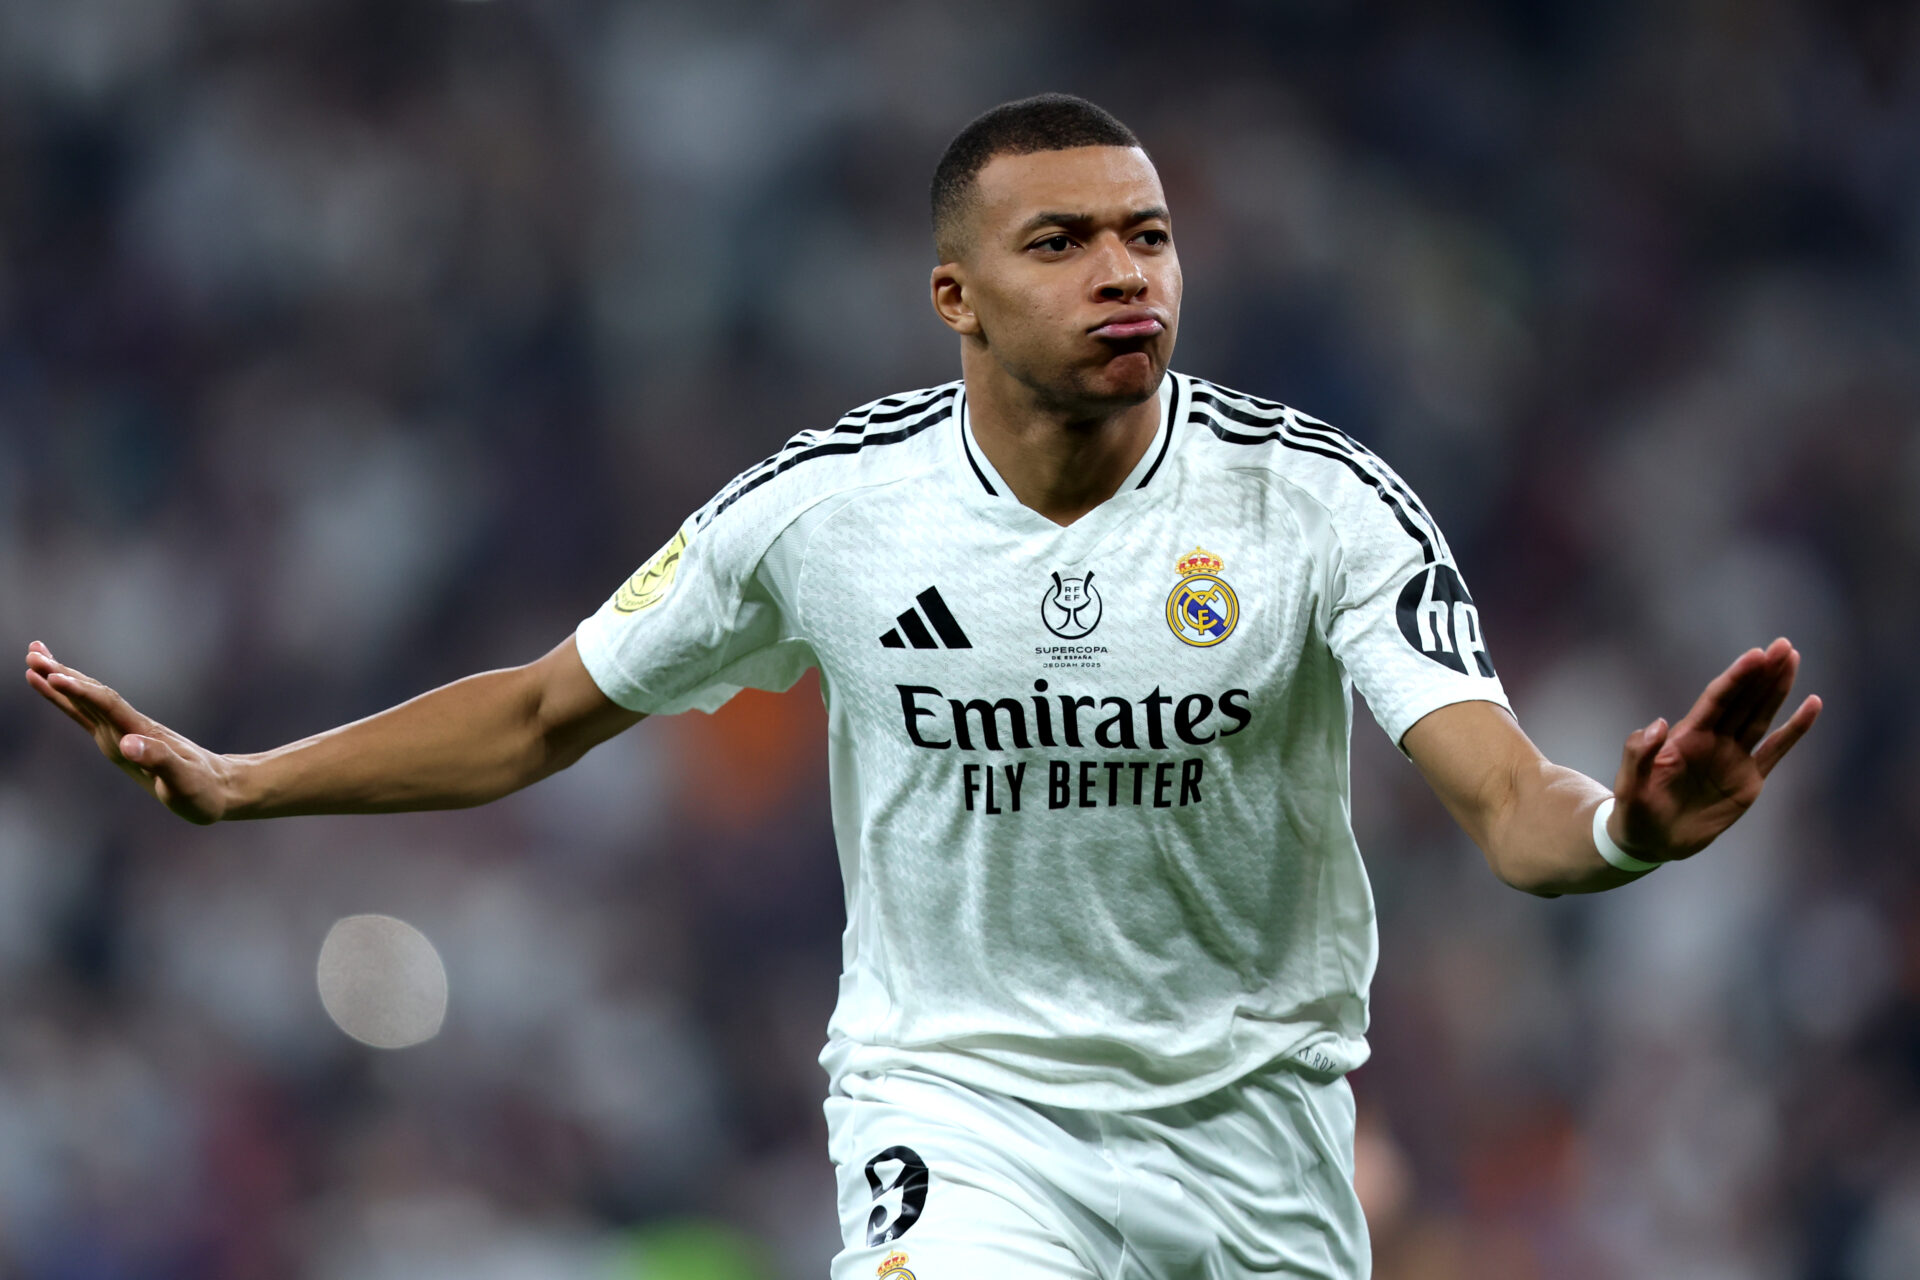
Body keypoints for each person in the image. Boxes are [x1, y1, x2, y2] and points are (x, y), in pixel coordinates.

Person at [24, 94, 1820, 1279]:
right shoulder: (828, 513)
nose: (1125, 271)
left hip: (1259, 1141)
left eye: (1147, 236)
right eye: (1065, 244)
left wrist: (1627, 829)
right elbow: (541, 710)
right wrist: (245, 781)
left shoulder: (1315, 500)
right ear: (954, 294)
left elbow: (1508, 805)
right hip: (958, 1115)